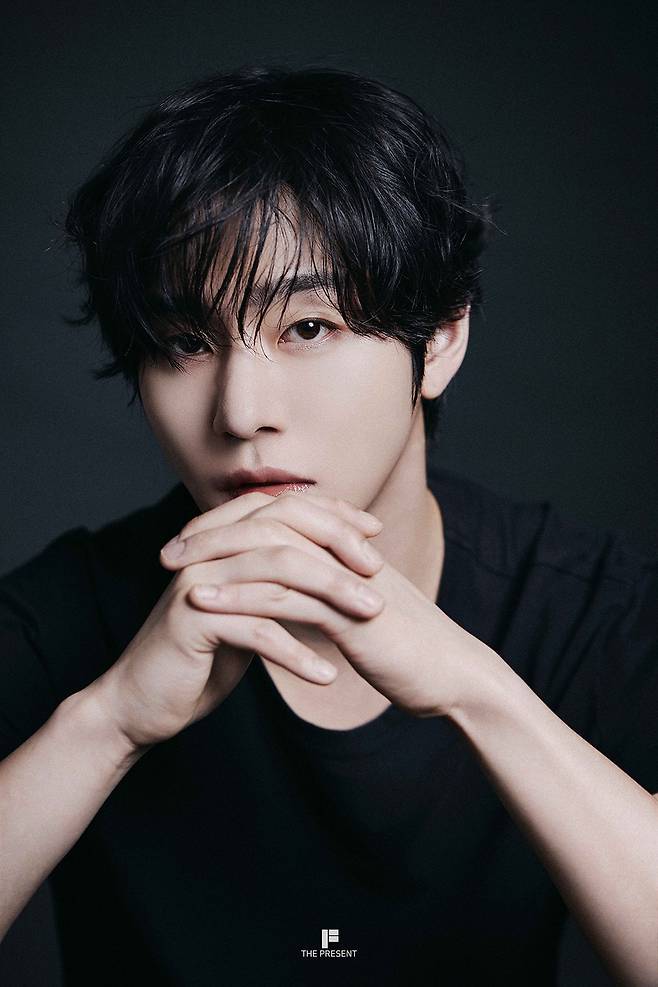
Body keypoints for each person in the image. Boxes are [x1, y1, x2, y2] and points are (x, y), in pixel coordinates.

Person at [0, 64, 656, 987]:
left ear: (443, 338)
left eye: (308, 327)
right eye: (185, 342)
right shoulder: (64, 615)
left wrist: (480, 693)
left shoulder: (587, 606)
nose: (241, 410)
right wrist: (108, 722)